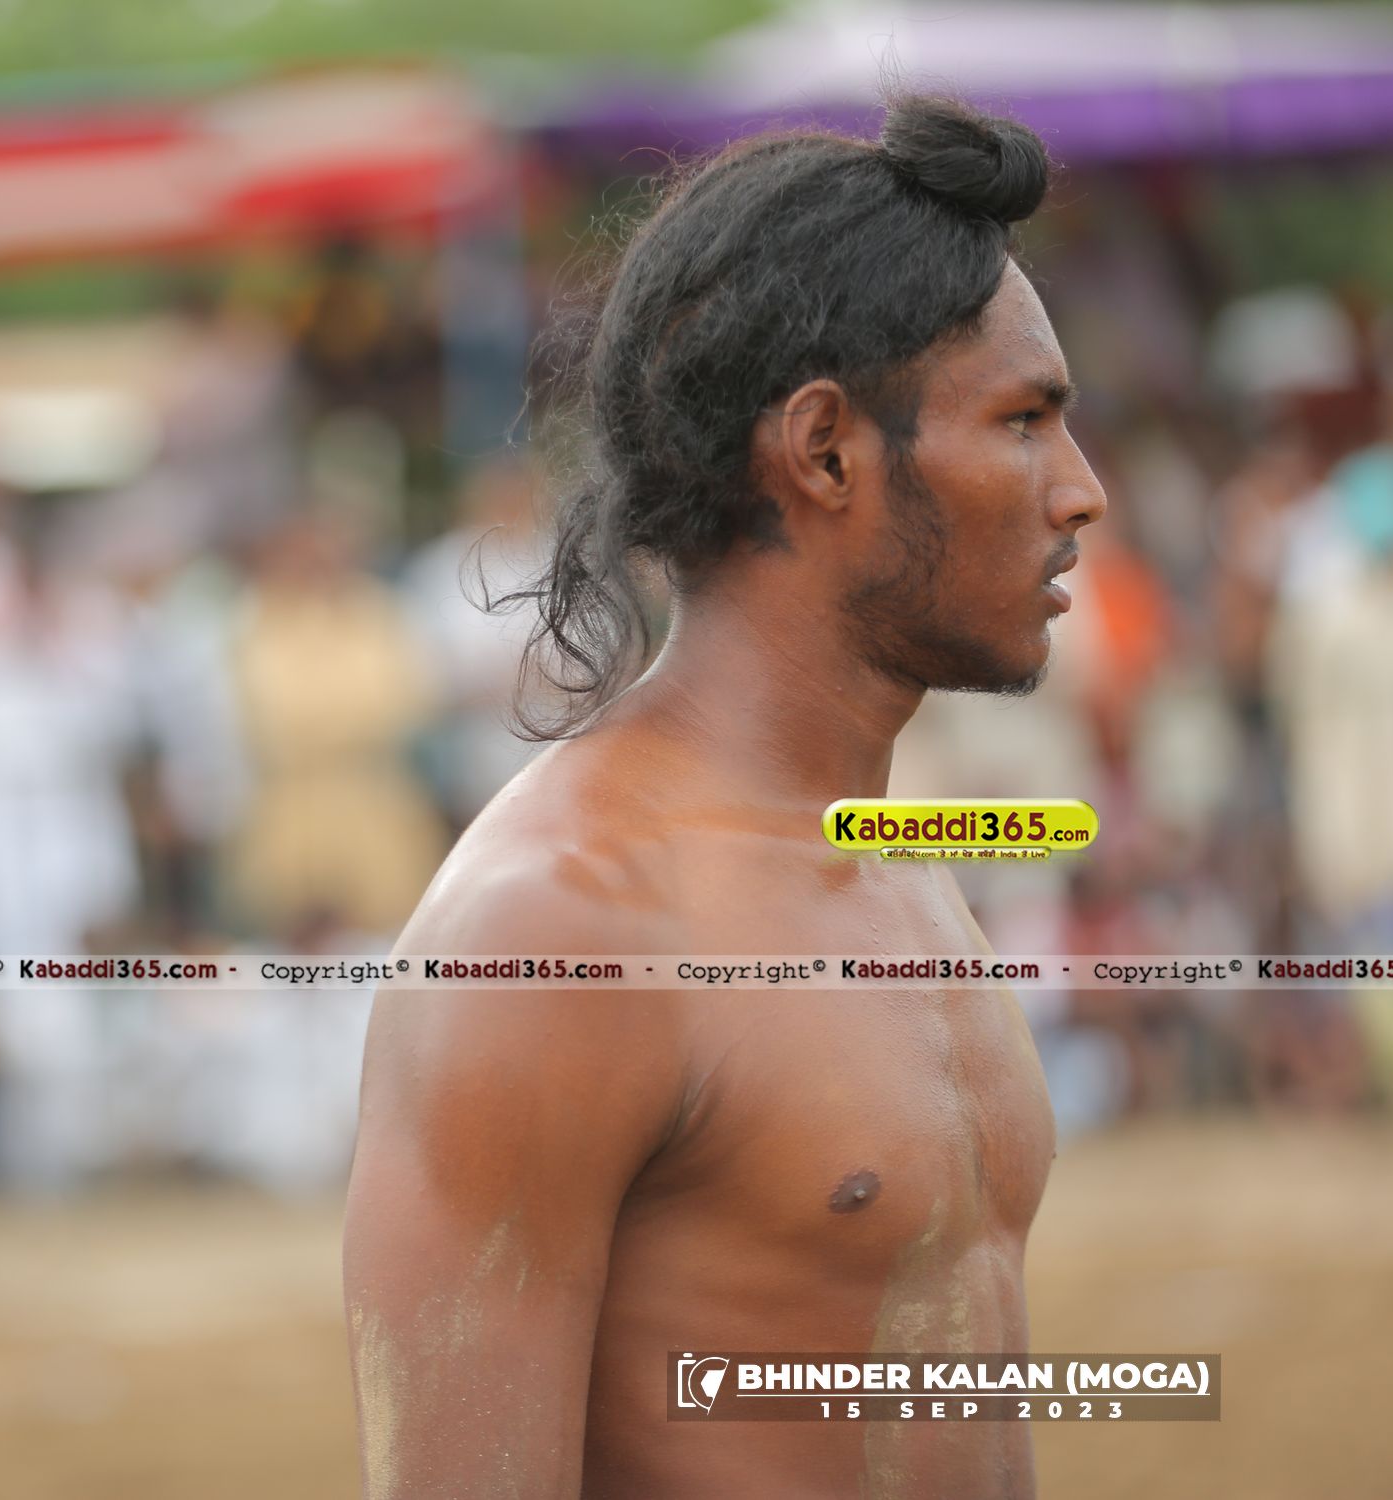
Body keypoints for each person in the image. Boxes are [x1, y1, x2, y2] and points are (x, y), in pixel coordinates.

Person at [342, 95, 1107, 1499]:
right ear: (823, 450)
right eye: (1023, 422)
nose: (1080, 494)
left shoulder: (892, 853)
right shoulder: (559, 926)